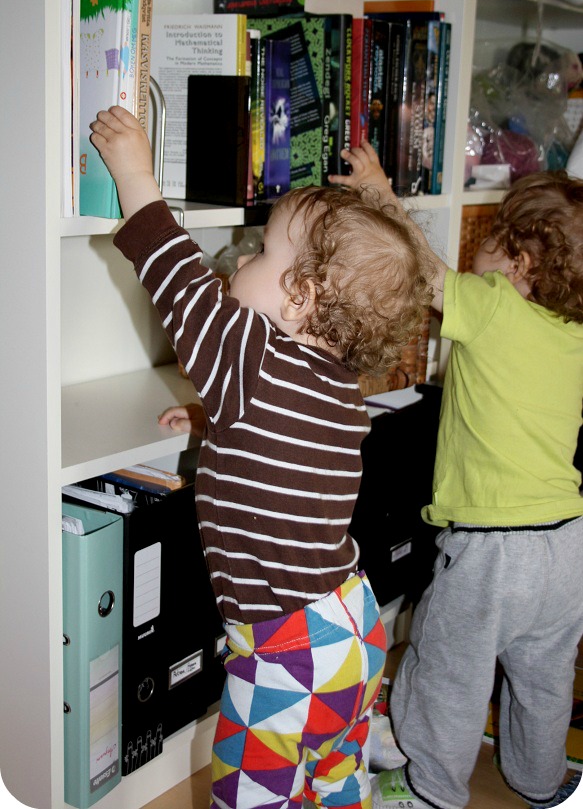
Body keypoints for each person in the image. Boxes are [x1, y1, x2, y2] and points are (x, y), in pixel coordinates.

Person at [89, 105, 434, 809]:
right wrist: (212, 417)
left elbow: (178, 278)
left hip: (287, 651)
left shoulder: (250, 357)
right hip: (352, 626)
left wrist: (135, 174)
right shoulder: (337, 386)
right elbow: (278, 447)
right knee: (334, 778)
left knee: (251, 793)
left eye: (262, 252)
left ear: (300, 299)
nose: (242, 261)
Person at [329, 142, 583, 809]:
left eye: (491, 240)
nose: (478, 249)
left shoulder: (496, 305)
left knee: (447, 668)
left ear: (519, 266)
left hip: (496, 548)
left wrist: (380, 192)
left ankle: (428, 787)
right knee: (543, 676)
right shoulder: (573, 333)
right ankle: (542, 780)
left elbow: (424, 271)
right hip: (566, 545)